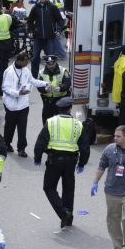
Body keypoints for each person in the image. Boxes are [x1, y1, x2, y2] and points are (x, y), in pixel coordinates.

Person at [34, 97, 90, 227]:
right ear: (70, 109)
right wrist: (82, 163)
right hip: (71, 162)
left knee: (49, 187)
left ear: (58, 108)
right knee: (69, 190)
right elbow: (85, 147)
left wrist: (37, 158)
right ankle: (68, 218)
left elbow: (40, 142)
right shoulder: (78, 124)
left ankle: (63, 213)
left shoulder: (51, 122)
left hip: (54, 161)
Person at [2, 52, 52, 157]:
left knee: (22, 128)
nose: (27, 63)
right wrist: (18, 93)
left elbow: (33, 81)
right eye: (26, 61)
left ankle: (21, 148)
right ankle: (6, 144)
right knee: (9, 127)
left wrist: (45, 83)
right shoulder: (9, 72)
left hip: (23, 105)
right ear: (19, 61)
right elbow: (5, 88)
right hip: (11, 106)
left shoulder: (25, 70)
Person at [39, 55, 71, 123]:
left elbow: (67, 83)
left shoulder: (63, 71)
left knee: (63, 122)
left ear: (55, 62)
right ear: (46, 63)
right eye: (49, 65)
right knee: (46, 123)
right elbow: (39, 86)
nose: (51, 67)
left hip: (61, 101)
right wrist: (44, 89)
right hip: (48, 101)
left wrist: (60, 88)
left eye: (52, 65)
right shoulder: (41, 72)